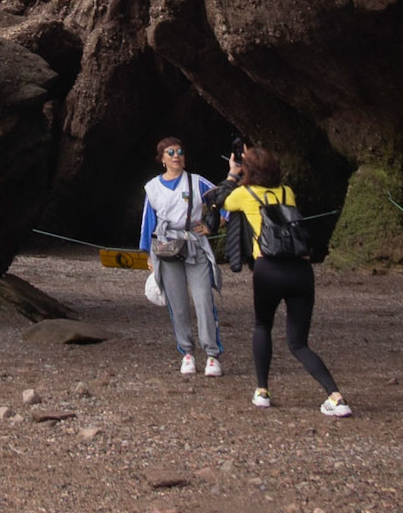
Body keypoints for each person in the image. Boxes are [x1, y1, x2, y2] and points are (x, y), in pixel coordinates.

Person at [204, 143, 351, 417]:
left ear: (248, 170)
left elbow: (217, 199)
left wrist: (233, 173)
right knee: (299, 343)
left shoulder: (244, 195)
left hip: (269, 268)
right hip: (300, 270)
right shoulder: (287, 193)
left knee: (262, 326)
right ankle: (336, 396)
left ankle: (262, 391)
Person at [140, 138, 223, 376]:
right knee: (177, 304)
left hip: (194, 245)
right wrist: (148, 255)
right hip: (166, 247)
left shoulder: (197, 182)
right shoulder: (152, 188)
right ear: (162, 159)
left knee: (203, 299)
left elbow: (223, 200)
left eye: (180, 152)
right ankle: (187, 353)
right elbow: (148, 222)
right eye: (170, 152)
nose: (176, 155)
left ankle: (212, 355)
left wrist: (212, 225)